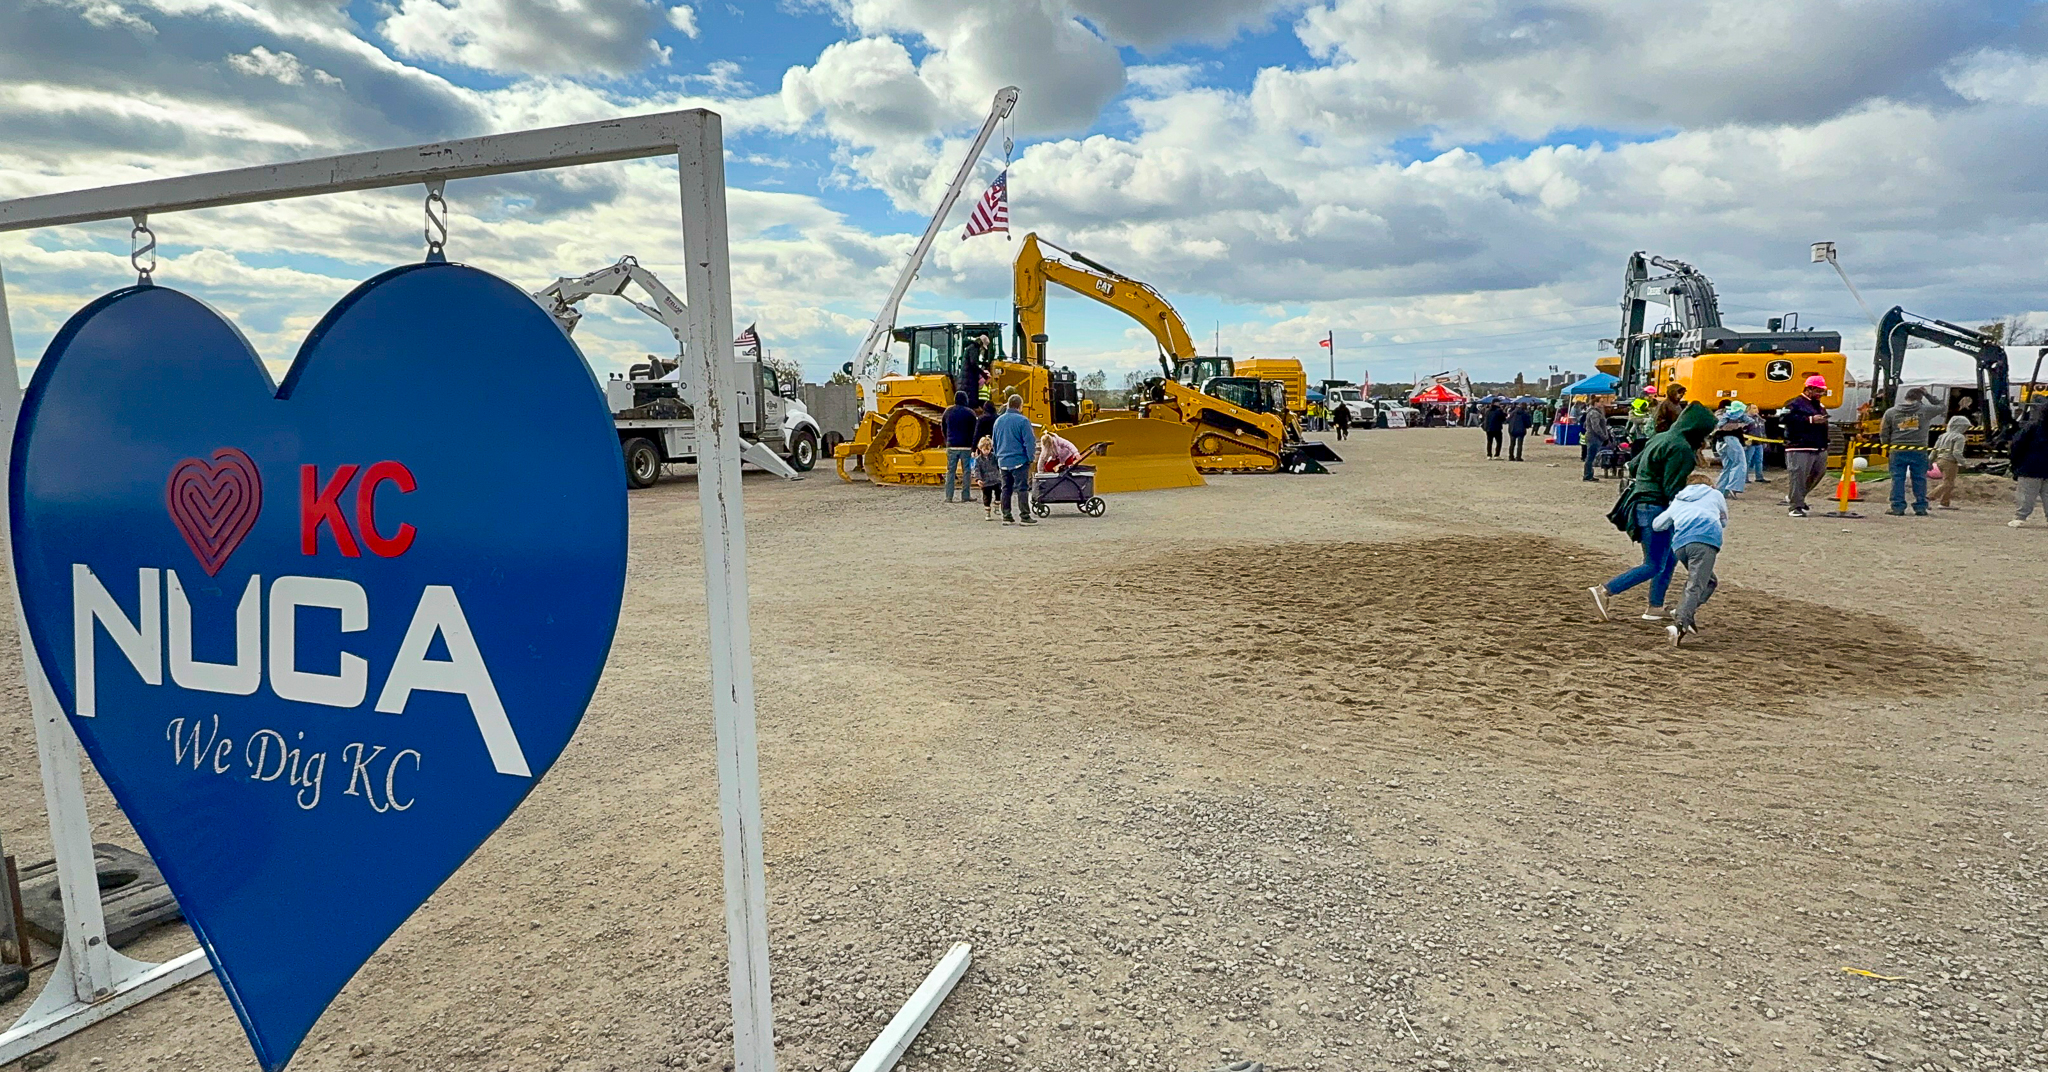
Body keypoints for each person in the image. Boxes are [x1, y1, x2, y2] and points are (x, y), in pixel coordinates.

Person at [1590, 401, 1714, 623]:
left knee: (1667, 560)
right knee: (1653, 563)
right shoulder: (1681, 448)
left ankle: (1655, 607)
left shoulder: (1660, 437)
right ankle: (1605, 590)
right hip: (1657, 506)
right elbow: (1672, 488)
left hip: (1641, 503)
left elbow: (1635, 465)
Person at [1652, 480, 1728, 646]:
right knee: (1696, 584)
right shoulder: (1715, 494)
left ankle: (1682, 610)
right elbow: (1724, 521)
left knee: (1709, 581)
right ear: (1709, 485)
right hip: (1705, 541)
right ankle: (1680, 624)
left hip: (1681, 545)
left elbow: (1657, 525)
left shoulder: (1678, 500)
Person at [1879, 387, 1945, 516]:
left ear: (1906, 397)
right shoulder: (1925, 410)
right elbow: (1942, 406)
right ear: (1920, 398)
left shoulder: (1891, 412)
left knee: (1897, 478)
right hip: (1919, 450)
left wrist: (1886, 446)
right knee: (1920, 479)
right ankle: (1920, 507)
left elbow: (1884, 431)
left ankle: (1897, 507)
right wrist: (1928, 394)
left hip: (1897, 449)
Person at [1782, 375, 1831, 517]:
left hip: (1819, 446)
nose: (1821, 394)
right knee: (1798, 475)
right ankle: (1795, 506)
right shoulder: (1793, 403)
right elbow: (1784, 418)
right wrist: (1809, 420)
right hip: (1799, 445)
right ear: (1808, 389)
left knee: (1818, 473)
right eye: (1818, 391)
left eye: (1822, 391)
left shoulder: (1820, 406)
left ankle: (1797, 496)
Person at [991, 394, 1037, 525]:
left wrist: (998, 456)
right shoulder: (1023, 421)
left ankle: (1006, 516)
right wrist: (1030, 458)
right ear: (1020, 406)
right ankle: (1025, 516)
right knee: (1022, 488)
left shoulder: (998, 421)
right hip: (1019, 461)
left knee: (1006, 488)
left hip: (1003, 461)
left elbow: (995, 441)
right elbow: (1029, 442)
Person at [2009, 405, 2048, 527]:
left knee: (2026, 494)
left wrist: (2015, 464)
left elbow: (2017, 445)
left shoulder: (2032, 427)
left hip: (2030, 467)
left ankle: (2020, 517)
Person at [941, 390, 978, 503]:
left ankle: (949, 497)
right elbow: (974, 430)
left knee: (950, 471)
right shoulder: (970, 413)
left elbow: (943, 428)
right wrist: (973, 444)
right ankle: (965, 496)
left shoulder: (948, 412)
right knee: (966, 471)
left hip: (952, 446)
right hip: (966, 446)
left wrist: (947, 440)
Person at [1931, 415, 1970, 510]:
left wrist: (1929, 461)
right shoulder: (1959, 437)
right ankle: (1929, 497)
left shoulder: (1942, 436)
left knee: (1949, 482)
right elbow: (1956, 452)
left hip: (1939, 460)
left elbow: (1934, 450)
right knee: (1948, 483)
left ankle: (1945, 503)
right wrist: (1965, 463)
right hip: (1950, 461)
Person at [1714, 412, 1748, 497]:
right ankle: (1733, 487)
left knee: (1727, 467)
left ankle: (1721, 490)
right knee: (1740, 463)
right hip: (1731, 440)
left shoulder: (1717, 416)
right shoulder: (1730, 416)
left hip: (1721, 441)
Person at [972, 436, 1002, 521]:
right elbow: (977, 470)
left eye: (988, 449)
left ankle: (997, 504)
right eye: (984, 450)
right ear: (980, 448)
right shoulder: (978, 460)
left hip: (996, 479)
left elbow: (999, 465)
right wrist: (978, 479)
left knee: (999, 492)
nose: (986, 451)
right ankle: (987, 512)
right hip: (985, 481)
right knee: (987, 497)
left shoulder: (994, 457)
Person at [1581, 402, 1613, 482]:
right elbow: (1596, 426)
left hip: (1592, 436)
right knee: (1590, 457)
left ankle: (1589, 474)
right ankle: (1588, 475)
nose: (1602, 403)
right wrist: (1603, 436)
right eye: (1600, 402)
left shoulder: (1593, 412)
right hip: (1594, 437)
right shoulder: (1594, 413)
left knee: (1590, 457)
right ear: (1595, 403)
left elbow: (1585, 425)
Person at [1745, 406, 1769, 483]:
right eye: (1754, 408)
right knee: (1747, 461)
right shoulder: (1746, 420)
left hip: (1759, 443)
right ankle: (1745, 478)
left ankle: (1759, 477)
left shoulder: (1760, 419)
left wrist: (1764, 441)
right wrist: (1745, 441)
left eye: (1757, 408)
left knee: (1759, 460)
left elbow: (1763, 431)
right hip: (1750, 443)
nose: (1757, 410)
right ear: (1748, 409)